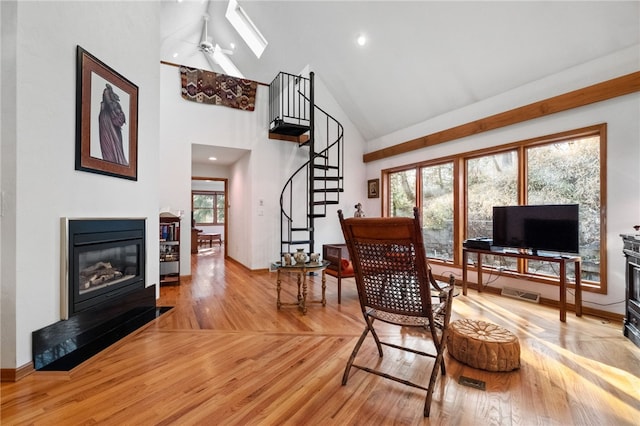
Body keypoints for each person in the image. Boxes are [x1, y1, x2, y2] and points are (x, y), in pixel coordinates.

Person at [98, 83, 128, 165]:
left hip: (111, 124)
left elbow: (118, 117)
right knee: (109, 144)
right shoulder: (105, 111)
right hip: (107, 123)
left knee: (115, 144)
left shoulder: (113, 106)